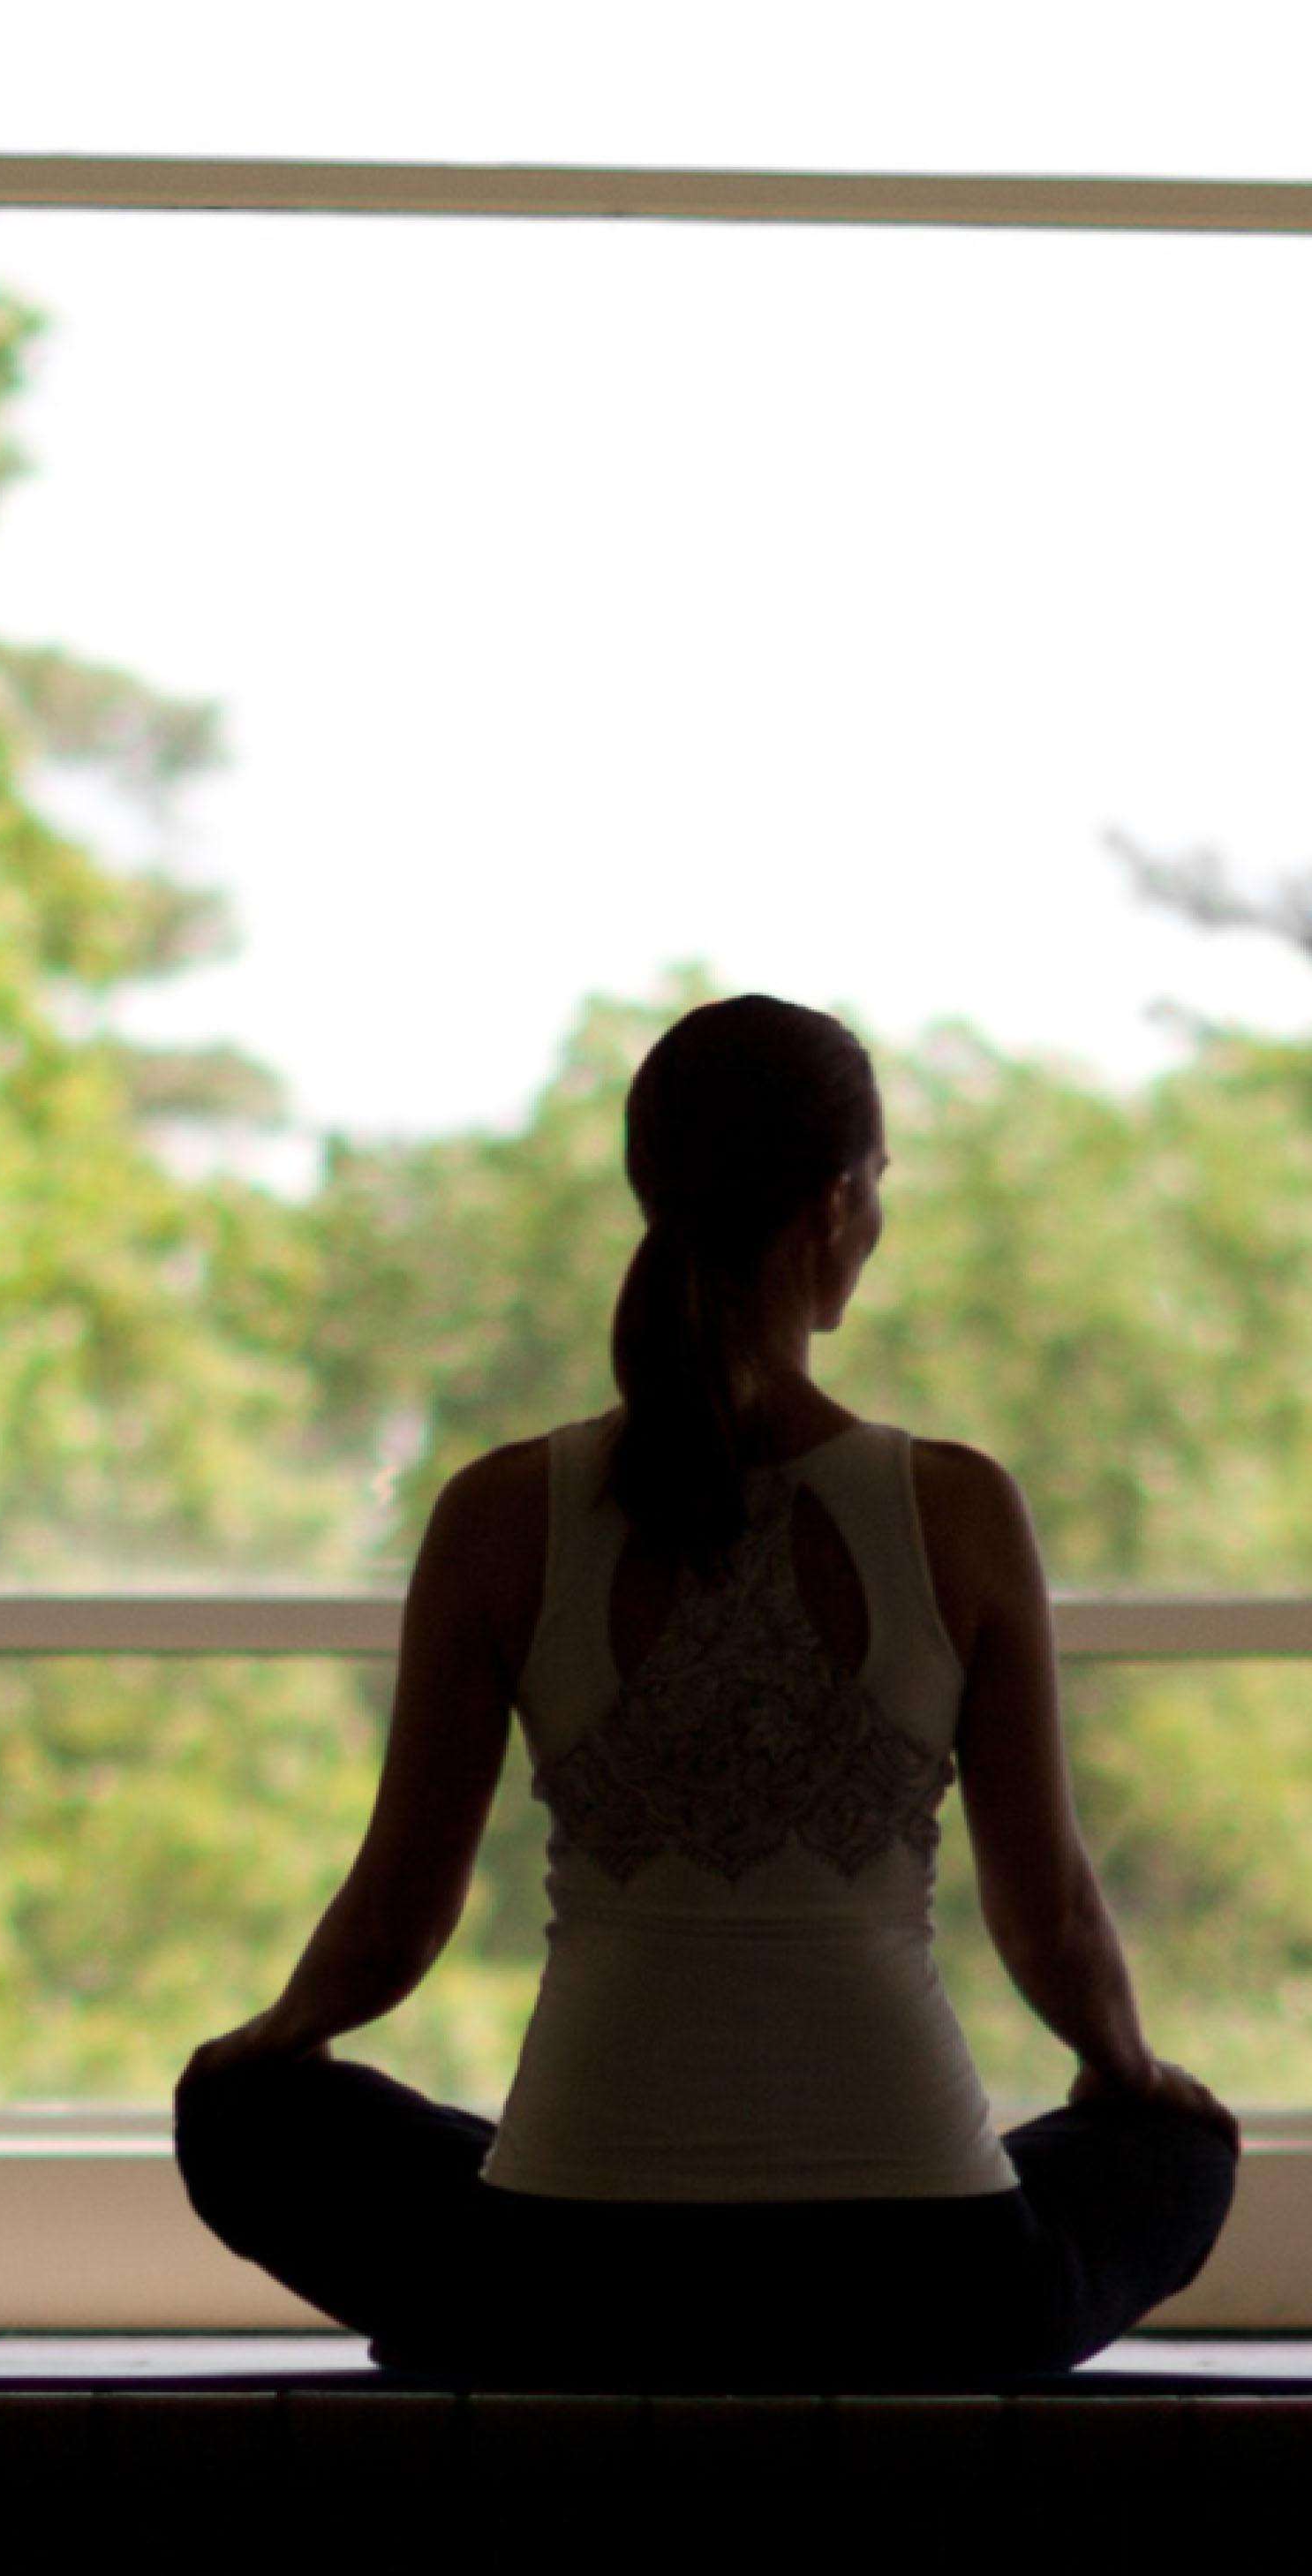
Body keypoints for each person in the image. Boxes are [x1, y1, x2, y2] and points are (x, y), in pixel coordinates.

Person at [173, 989, 1239, 2384]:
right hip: (933, 2290)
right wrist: (1128, 2072)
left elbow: (400, 1913)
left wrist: (262, 2052)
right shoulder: (958, 1509)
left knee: (241, 2120)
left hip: (562, 2288)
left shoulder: (504, 1513)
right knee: (1180, 2148)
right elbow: (1051, 1915)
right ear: (837, 1203)